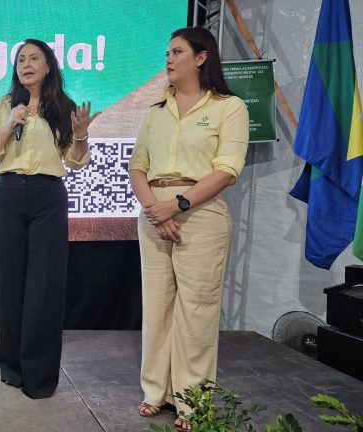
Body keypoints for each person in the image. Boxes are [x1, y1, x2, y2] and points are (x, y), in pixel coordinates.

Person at [128, 27, 248, 431]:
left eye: (177, 51)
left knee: (196, 310)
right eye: (167, 52)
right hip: (153, 215)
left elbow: (227, 169)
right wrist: (156, 210)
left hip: (201, 213)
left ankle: (192, 402)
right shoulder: (154, 112)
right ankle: (155, 392)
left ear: (200, 58)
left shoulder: (229, 108)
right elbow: (138, 167)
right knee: (157, 306)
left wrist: (178, 205)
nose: (168, 59)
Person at [0, 39, 100, 399]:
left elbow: (75, 160)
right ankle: (13, 369)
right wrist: (8, 125)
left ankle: (40, 377)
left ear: (48, 66)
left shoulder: (63, 106)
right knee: (9, 284)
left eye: (34, 58)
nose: (26, 64)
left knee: (44, 287)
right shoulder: (5, 105)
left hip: (48, 197)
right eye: (20, 60)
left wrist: (80, 137)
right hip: (8, 195)